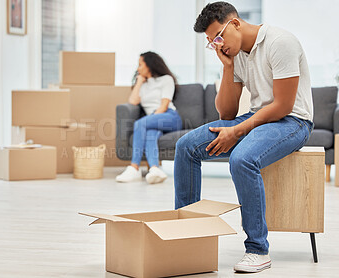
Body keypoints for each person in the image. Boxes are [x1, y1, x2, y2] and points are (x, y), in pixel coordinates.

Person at [174, 1, 314, 273]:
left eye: (218, 37)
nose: (218, 44)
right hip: (256, 118)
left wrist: (237, 131)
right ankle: (186, 234)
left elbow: (283, 106)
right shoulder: (235, 54)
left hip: (293, 121)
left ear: (235, 23)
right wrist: (227, 68)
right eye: (211, 42)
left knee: (242, 158)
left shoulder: (280, 42)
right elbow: (227, 112)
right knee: (186, 146)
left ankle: (257, 249)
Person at [116, 52, 182, 184]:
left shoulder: (166, 79)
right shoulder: (143, 85)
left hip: (169, 117)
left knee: (140, 124)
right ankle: (154, 169)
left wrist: (148, 120)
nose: (138, 68)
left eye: (140, 65)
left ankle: (134, 167)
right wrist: (139, 81)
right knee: (151, 134)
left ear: (150, 64)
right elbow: (133, 101)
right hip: (153, 121)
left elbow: (163, 106)